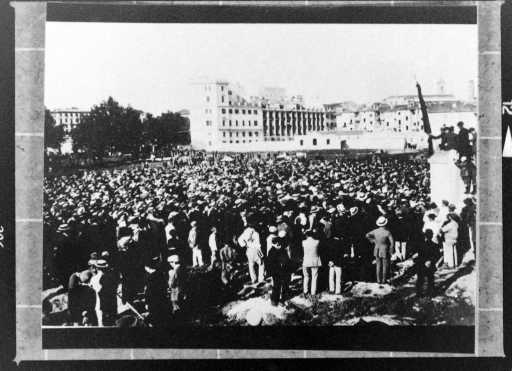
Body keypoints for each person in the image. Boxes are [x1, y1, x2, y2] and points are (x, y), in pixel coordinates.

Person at [365, 216, 394, 284]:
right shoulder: (387, 232)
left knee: (378, 265)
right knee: (385, 265)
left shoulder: (375, 231)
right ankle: (384, 280)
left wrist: (373, 240)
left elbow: (367, 235)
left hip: (377, 247)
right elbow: (392, 242)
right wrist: (391, 249)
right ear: (385, 224)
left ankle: (378, 280)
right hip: (385, 248)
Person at [266, 234, 292, 306]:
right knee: (279, 286)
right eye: (278, 244)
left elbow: (286, 260)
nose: (279, 245)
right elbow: (270, 263)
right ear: (276, 244)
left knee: (280, 286)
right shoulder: (273, 251)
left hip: (280, 271)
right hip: (278, 272)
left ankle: (277, 300)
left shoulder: (276, 250)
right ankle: (277, 300)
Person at [415, 229, 439, 297]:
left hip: (421, 265)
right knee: (430, 279)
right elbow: (437, 256)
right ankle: (430, 293)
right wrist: (431, 261)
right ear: (432, 236)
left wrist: (424, 262)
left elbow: (419, 255)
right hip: (430, 265)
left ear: (425, 236)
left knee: (420, 279)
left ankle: (419, 293)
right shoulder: (435, 245)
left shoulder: (420, 245)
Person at [302, 229, 322, 297]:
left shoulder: (303, 242)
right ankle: (313, 292)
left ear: (306, 235)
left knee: (306, 276)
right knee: (314, 277)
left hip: (306, 260)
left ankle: (305, 291)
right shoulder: (317, 242)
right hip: (315, 261)